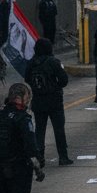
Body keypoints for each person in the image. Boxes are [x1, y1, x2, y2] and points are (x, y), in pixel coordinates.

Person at [0, 83, 44, 193]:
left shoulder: (2, 115)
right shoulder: (23, 119)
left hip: (1, 169)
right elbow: (31, 148)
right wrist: (39, 167)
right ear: (22, 98)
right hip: (19, 171)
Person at [24, 37, 73, 166]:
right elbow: (64, 80)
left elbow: (27, 78)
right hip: (54, 100)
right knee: (59, 130)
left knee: (40, 130)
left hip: (39, 101)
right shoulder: (53, 62)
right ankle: (63, 157)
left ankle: (40, 157)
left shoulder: (32, 63)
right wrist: (54, 86)